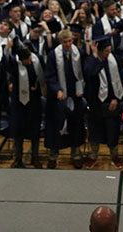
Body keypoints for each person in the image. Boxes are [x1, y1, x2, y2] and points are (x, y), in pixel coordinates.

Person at [45, 29, 86, 169]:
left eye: (70, 41)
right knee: (56, 126)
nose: (68, 44)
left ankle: (75, 153)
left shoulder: (78, 53)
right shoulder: (53, 55)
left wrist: (81, 88)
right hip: (58, 97)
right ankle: (53, 155)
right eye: (65, 42)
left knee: (75, 124)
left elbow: (82, 72)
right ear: (60, 42)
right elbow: (49, 75)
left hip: (75, 95)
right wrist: (57, 89)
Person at [84, 36, 123, 167]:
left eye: (109, 50)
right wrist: (98, 59)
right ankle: (93, 155)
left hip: (111, 102)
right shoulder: (91, 61)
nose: (108, 53)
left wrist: (116, 99)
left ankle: (115, 155)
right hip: (96, 103)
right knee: (95, 132)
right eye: (106, 51)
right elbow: (90, 74)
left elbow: (119, 80)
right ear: (100, 51)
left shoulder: (113, 60)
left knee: (112, 131)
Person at [8, 46, 44, 168]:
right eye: (26, 60)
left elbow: (41, 77)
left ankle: (35, 157)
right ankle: (18, 158)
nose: (29, 61)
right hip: (18, 102)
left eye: (29, 58)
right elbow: (7, 73)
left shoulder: (36, 60)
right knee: (18, 131)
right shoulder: (14, 63)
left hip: (34, 102)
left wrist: (37, 86)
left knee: (35, 131)